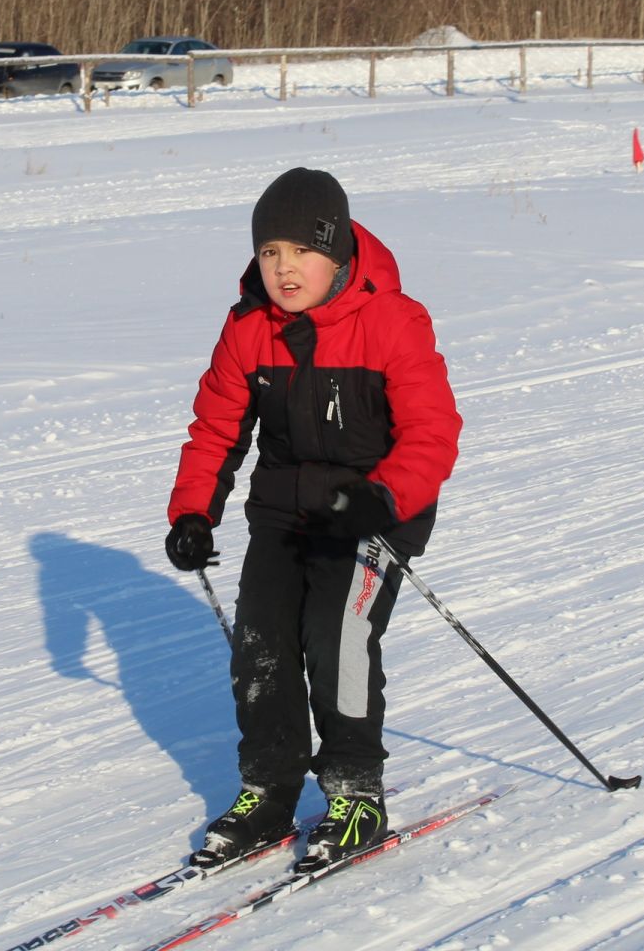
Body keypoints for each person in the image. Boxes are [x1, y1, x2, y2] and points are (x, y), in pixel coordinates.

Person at [164, 166, 462, 870]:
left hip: (375, 511)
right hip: (285, 510)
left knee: (338, 640)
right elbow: (215, 430)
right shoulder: (247, 329)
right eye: (270, 252)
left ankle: (356, 792)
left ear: (339, 254)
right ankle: (269, 791)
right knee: (261, 647)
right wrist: (193, 512)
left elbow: (433, 430)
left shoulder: (392, 320)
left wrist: (384, 497)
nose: (285, 268)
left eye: (301, 251)